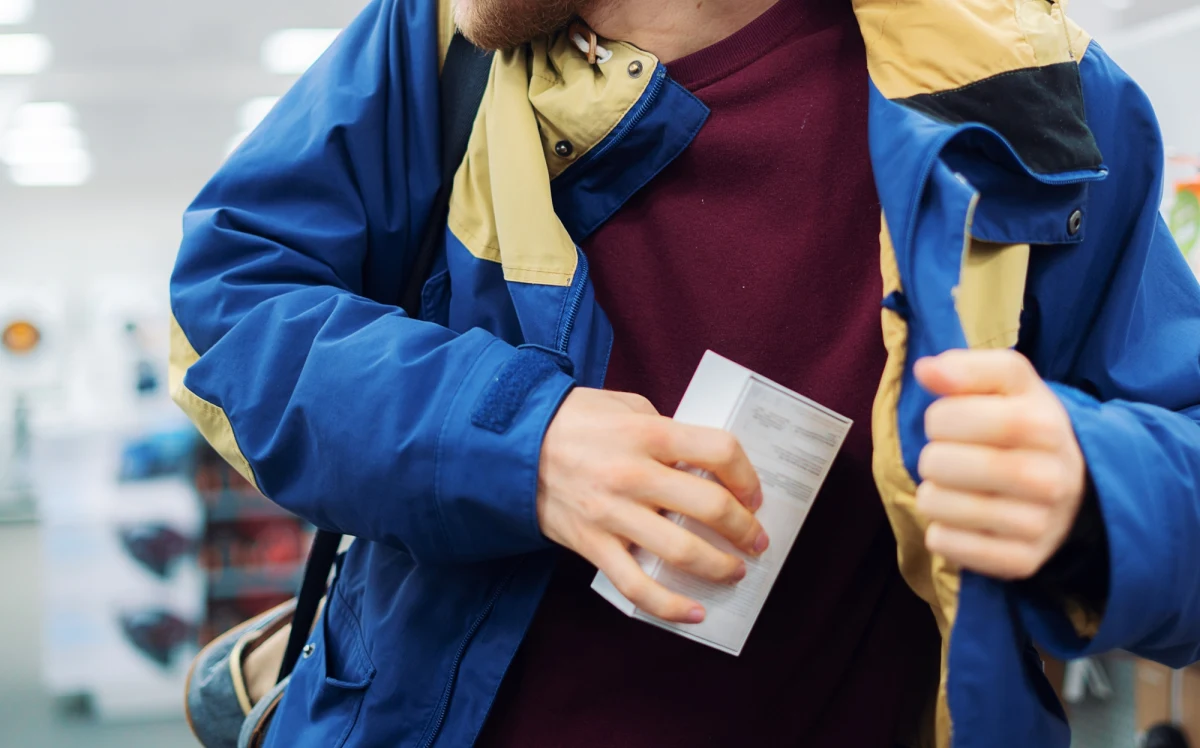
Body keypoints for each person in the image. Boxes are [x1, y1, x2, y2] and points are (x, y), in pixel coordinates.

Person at [168, 0, 1200, 745]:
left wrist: (1093, 491)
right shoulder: (432, 46)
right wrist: (522, 439)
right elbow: (230, 308)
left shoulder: (1029, 98)